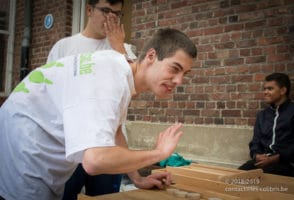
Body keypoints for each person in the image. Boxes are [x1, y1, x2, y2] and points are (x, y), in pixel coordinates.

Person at [0, 28, 197, 200]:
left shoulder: (119, 72)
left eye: (185, 74)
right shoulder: (109, 78)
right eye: (175, 68)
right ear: (151, 56)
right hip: (23, 156)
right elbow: (95, 161)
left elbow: (114, 132)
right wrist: (159, 153)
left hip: (32, 149)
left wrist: (138, 178)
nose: (179, 80)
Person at [47, 0, 136, 198]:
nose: (111, 18)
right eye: (105, 11)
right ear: (89, 10)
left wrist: (118, 47)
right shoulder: (64, 47)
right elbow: (51, 94)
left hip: (109, 147)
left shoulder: (124, 49)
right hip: (70, 149)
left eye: (117, 13)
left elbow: (134, 87)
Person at [239, 72, 294, 178]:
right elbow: (255, 142)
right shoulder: (262, 115)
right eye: (264, 89)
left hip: (288, 163)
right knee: (236, 176)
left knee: (261, 177)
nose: (265, 92)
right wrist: (256, 155)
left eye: (270, 89)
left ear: (283, 90)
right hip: (263, 162)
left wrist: (276, 158)